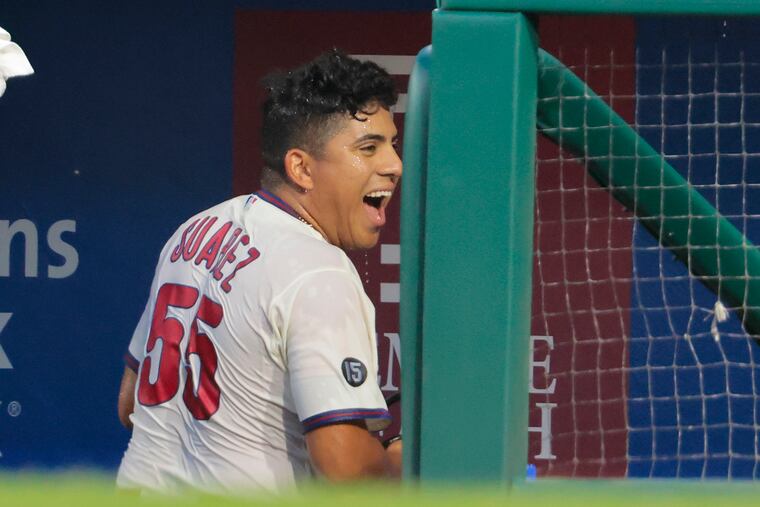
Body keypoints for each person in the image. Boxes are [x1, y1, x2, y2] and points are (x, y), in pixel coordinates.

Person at [116, 49, 403, 493]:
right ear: (301, 167)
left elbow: (131, 403)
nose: (393, 165)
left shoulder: (195, 229)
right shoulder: (318, 271)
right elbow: (346, 468)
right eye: (368, 148)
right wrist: (403, 459)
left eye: (392, 144)